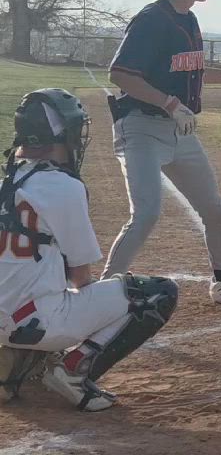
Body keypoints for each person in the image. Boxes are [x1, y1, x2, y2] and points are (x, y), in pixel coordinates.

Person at [0, 89, 179, 411]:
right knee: (155, 293)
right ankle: (71, 370)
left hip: (9, 316)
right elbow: (80, 278)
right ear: (60, 134)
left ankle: (16, 364)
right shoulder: (63, 187)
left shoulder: (5, 183)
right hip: (31, 322)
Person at [103, 0, 221, 308]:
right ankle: (102, 294)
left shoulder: (188, 18)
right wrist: (170, 104)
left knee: (213, 209)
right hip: (141, 128)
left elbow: (188, 70)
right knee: (147, 214)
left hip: (179, 132)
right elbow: (121, 74)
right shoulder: (152, 19)